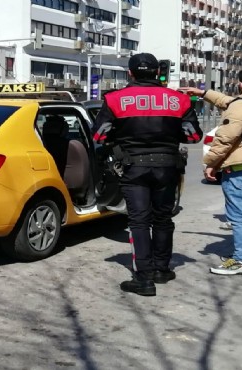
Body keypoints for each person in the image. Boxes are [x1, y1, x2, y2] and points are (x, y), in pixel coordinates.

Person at [93, 53, 202, 296]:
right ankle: (161, 270)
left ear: (130, 73)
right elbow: (194, 136)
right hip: (168, 167)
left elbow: (99, 136)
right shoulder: (178, 100)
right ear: (157, 72)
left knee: (139, 222)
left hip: (134, 168)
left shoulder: (114, 99)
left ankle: (143, 278)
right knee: (163, 219)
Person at [181, 67, 242, 275]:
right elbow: (230, 103)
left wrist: (211, 163)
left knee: (240, 215)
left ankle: (241, 261)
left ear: (241, 84)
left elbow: (225, 138)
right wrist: (204, 93)